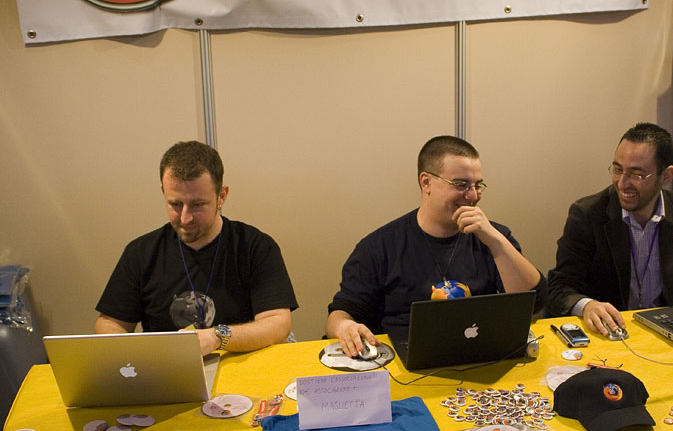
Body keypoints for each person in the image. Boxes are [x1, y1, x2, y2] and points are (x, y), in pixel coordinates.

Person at [326, 135, 545, 357]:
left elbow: (534, 302)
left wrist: (496, 241)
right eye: (461, 185)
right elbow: (341, 314)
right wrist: (345, 327)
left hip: (481, 355)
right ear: (426, 182)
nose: (472, 195)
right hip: (405, 365)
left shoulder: (493, 238)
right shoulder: (378, 247)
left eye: (477, 185)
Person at [95, 141, 298, 355]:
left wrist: (216, 337)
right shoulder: (140, 253)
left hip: (242, 365)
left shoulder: (255, 247)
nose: (185, 217)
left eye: (197, 204)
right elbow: (110, 323)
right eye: (175, 204)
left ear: (221, 196)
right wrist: (127, 350)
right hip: (169, 374)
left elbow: (278, 324)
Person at [546, 122, 673, 336]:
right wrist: (586, 305)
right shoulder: (588, 215)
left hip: (667, 334)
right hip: (611, 336)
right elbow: (559, 287)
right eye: (617, 170)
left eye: (636, 174)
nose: (622, 183)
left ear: (667, 176)